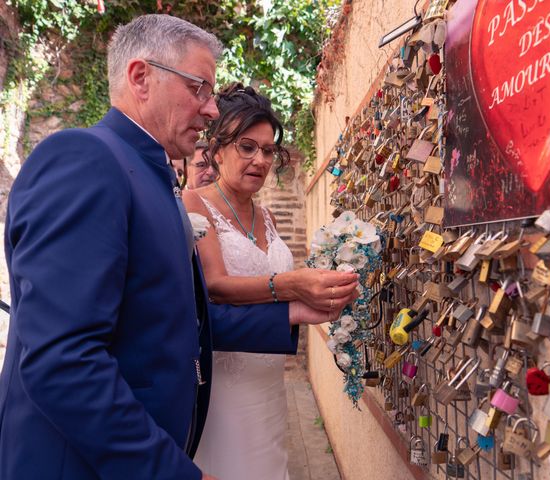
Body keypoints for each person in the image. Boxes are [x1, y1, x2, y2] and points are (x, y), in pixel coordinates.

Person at [0, 14, 358, 480]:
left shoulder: (153, 176)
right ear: (141, 78)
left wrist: (294, 313)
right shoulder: (85, 160)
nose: (211, 110)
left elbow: (175, 323)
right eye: (199, 88)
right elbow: (62, 359)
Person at [183, 84, 351, 480]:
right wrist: (292, 285)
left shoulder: (270, 218)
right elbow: (215, 286)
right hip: (225, 383)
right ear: (218, 148)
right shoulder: (194, 204)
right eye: (247, 147)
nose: (260, 159)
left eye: (268, 150)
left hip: (269, 383)